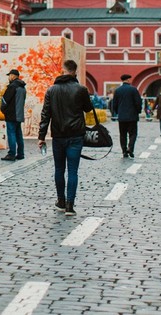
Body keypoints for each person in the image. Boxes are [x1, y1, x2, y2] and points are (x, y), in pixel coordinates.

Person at [37, 59, 93, 216]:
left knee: (59, 169)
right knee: (73, 171)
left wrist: (41, 136)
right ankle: (70, 205)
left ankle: (60, 201)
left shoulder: (52, 90)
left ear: (63, 71)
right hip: (76, 135)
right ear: (75, 71)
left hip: (58, 135)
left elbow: (45, 114)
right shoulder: (81, 89)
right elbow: (88, 109)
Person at [110, 74, 142, 158]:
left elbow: (114, 104)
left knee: (122, 135)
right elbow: (138, 102)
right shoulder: (133, 90)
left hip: (122, 117)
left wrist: (117, 112)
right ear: (128, 80)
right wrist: (138, 111)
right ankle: (130, 148)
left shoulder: (117, 90)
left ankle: (124, 151)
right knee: (133, 134)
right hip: (132, 117)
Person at [2, 68, 27, 160]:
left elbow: (5, 100)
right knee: (18, 134)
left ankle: (11, 154)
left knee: (11, 133)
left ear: (13, 76)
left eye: (9, 75)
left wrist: (3, 110)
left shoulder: (12, 86)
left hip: (11, 115)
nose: (9, 77)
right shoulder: (22, 87)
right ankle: (21, 153)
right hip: (19, 115)